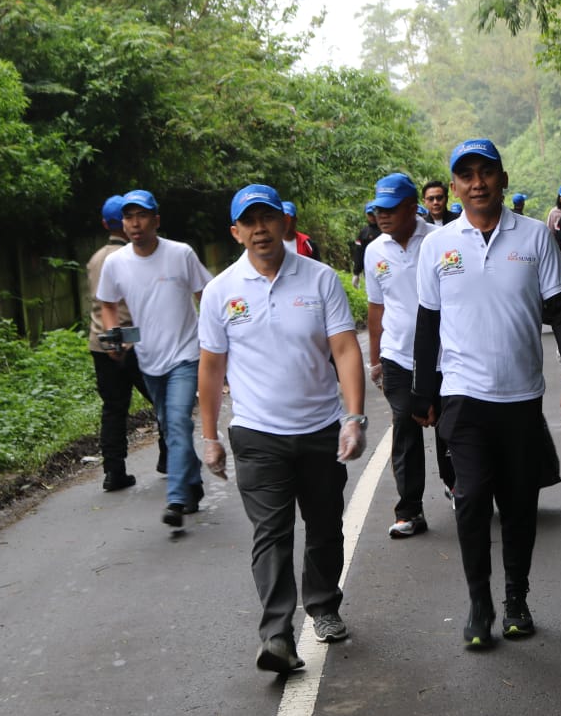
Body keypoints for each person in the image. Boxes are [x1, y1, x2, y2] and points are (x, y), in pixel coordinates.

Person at [412, 138, 561, 649]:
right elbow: (428, 322)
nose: (477, 182)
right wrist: (424, 390)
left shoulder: (534, 237)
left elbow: (559, 311)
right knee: (469, 501)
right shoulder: (437, 245)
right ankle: (478, 601)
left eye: (486, 172)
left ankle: (516, 598)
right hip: (463, 395)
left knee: (518, 503)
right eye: (466, 175)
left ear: (503, 179)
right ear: (454, 186)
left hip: (521, 396)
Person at [197, 183, 368, 674]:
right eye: (248, 222)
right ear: (236, 232)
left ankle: (323, 604)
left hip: (318, 429)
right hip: (256, 434)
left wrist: (353, 417)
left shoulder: (319, 280)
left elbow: (344, 349)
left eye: (266, 218)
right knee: (271, 533)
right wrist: (210, 437)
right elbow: (211, 368)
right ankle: (276, 635)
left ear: (284, 223)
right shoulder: (220, 291)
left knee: (324, 526)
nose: (259, 229)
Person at [96, 189, 213, 532]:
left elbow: (205, 295)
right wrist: (112, 334)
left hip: (186, 355)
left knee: (176, 422)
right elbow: (106, 304)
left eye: (142, 215)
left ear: (156, 220)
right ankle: (193, 486)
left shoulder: (181, 254)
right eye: (129, 217)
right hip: (148, 359)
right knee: (169, 424)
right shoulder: (115, 263)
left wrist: (213, 341)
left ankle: (176, 498)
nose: (135, 223)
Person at [363, 172, 455, 538]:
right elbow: (376, 308)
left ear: (410, 207)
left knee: (449, 427)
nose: (381, 217)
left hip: (445, 355)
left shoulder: (439, 241)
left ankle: (457, 485)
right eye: (377, 210)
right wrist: (375, 360)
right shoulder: (374, 251)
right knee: (405, 424)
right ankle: (410, 510)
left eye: (389, 209)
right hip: (397, 356)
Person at [86, 195, 165, 491]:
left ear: (106, 224)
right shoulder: (130, 258)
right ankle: (169, 457)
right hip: (135, 342)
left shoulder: (95, 258)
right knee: (163, 400)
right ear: (125, 223)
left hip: (101, 343)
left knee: (113, 409)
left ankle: (113, 471)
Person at [350, 203, 381, 287]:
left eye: (374, 214)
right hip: (369, 267)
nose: (372, 217)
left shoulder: (385, 229)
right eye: (369, 214)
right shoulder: (364, 232)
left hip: (382, 265)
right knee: (372, 292)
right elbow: (359, 252)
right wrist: (356, 272)